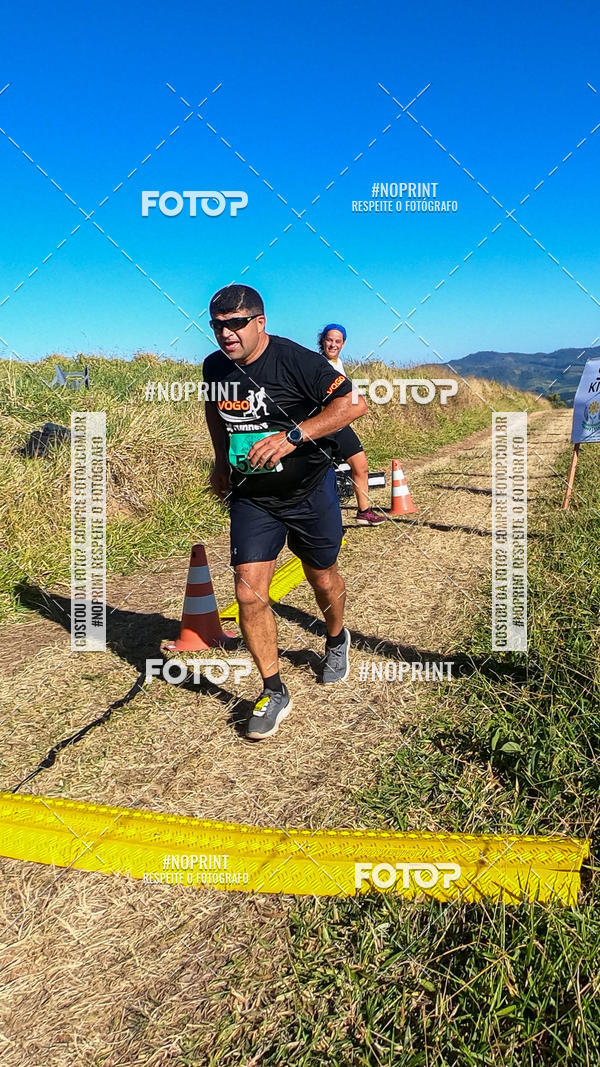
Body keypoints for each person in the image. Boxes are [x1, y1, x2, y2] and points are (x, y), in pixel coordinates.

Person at [203, 284, 368, 741]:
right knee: (248, 592)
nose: (225, 333)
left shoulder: (296, 360)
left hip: (309, 490)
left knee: (323, 578)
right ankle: (273, 690)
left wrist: (291, 437)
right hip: (253, 497)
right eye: (217, 324)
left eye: (235, 323)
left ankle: (336, 638)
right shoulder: (214, 366)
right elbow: (216, 414)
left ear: (260, 322)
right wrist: (220, 463)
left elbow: (353, 404)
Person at [318, 324, 385, 526]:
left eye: (338, 341)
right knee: (320, 476)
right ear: (322, 340)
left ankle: (364, 512)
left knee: (361, 465)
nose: (333, 344)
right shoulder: (318, 364)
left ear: (343, 344)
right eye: (329, 340)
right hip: (322, 427)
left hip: (341, 425)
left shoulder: (338, 364)